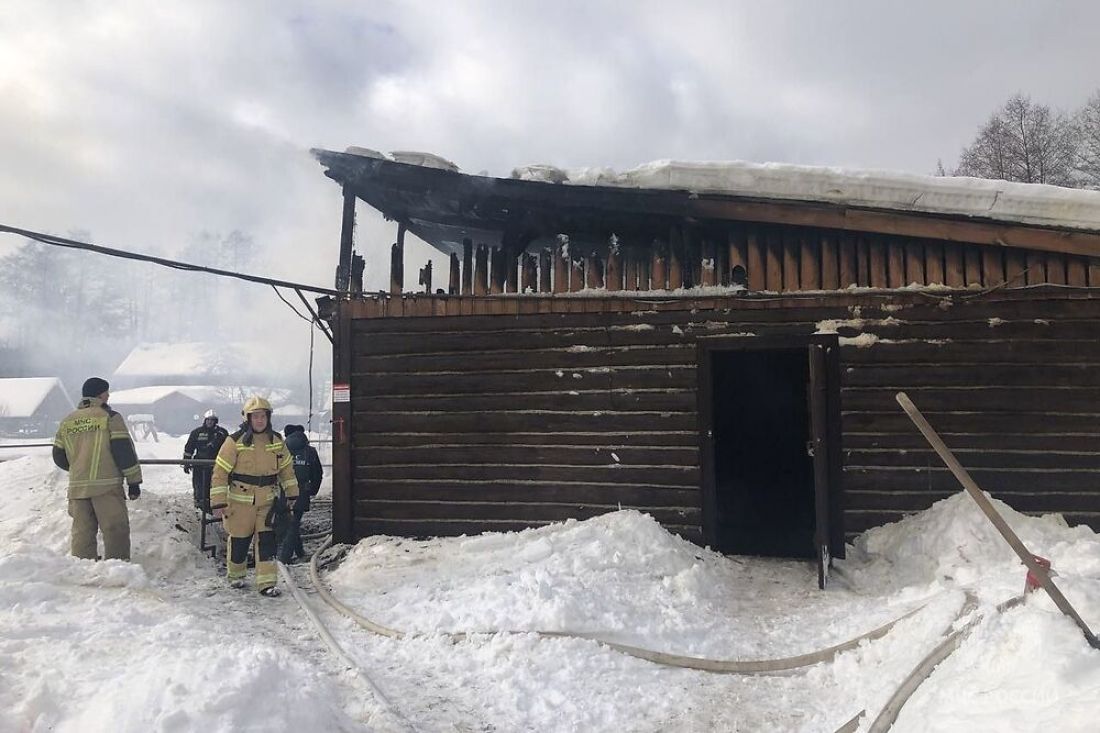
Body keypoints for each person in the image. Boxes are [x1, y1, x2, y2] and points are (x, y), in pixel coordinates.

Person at [209, 396, 298, 597]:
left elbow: (287, 470)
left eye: (263, 416)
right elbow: (220, 473)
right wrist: (218, 502)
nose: (260, 420)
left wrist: (293, 494)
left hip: (268, 502)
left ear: (268, 418)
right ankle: (236, 576)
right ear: (248, 418)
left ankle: (267, 583)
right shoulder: (233, 442)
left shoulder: (276, 441)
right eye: (255, 416)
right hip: (239, 504)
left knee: (267, 541)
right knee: (240, 541)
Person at [51, 377, 142, 561]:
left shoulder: (68, 421)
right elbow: (123, 450)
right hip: (106, 487)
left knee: (82, 533)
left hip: (77, 488)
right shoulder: (110, 417)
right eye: (106, 392)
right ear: (101, 394)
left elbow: (58, 456)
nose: (108, 395)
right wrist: (134, 482)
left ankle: (83, 569)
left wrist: (79, 467)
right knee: (115, 530)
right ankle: (118, 570)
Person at [277, 424, 323, 563]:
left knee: (290, 522)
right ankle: (286, 556)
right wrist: (313, 490)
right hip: (302, 491)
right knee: (294, 521)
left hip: (282, 490)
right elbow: (317, 473)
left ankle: (294, 553)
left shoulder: (280, 449)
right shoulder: (310, 451)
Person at [183, 409, 229, 511]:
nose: (210, 422)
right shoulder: (196, 432)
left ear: (216, 421)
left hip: (216, 466)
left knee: (214, 487)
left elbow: (229, 450)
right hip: (199, 465)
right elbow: (189, 448)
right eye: (208, 420)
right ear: (205, 420)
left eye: (212, 420)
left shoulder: (222, 433)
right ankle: (199, 508)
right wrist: (186, 462)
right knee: (199, 487)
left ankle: (213, 507)